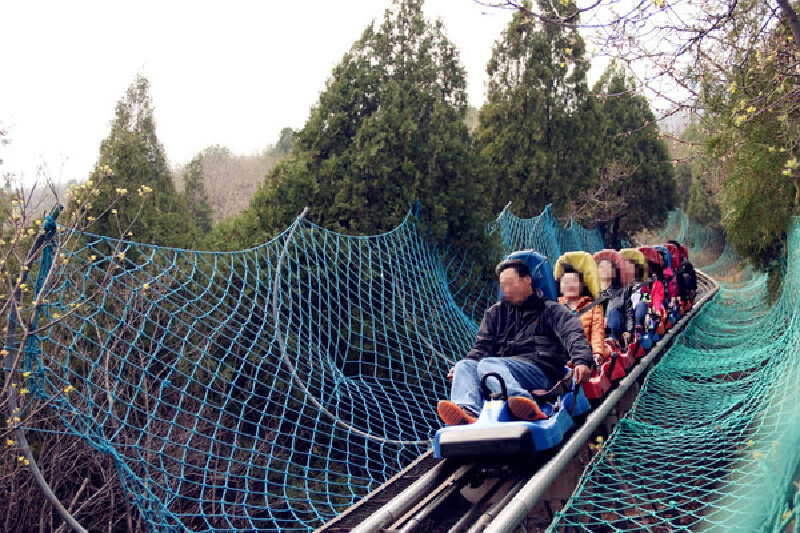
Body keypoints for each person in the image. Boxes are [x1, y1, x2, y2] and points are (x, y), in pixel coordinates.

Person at [437, 259, 594, 426]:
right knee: (464, 365)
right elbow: (482, 347)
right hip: (503, 369)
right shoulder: (495, 313)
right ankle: (466, 412)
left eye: (511, 284)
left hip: (541, 371)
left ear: (527, 279)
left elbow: (573, 333)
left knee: (487, 364)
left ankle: (523, 402)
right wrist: (463, 369)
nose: (507, 291)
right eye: (504, 287)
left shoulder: (551, 310)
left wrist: (582, 360)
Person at [558, 264, 606, 367]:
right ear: (560, 287)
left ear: (581, 285)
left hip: (584, 350)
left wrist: (597, 352)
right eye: (566, 282)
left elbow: (597, 331)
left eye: (574, 281)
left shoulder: (593, 307)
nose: (570, 285)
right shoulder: (554, 307)